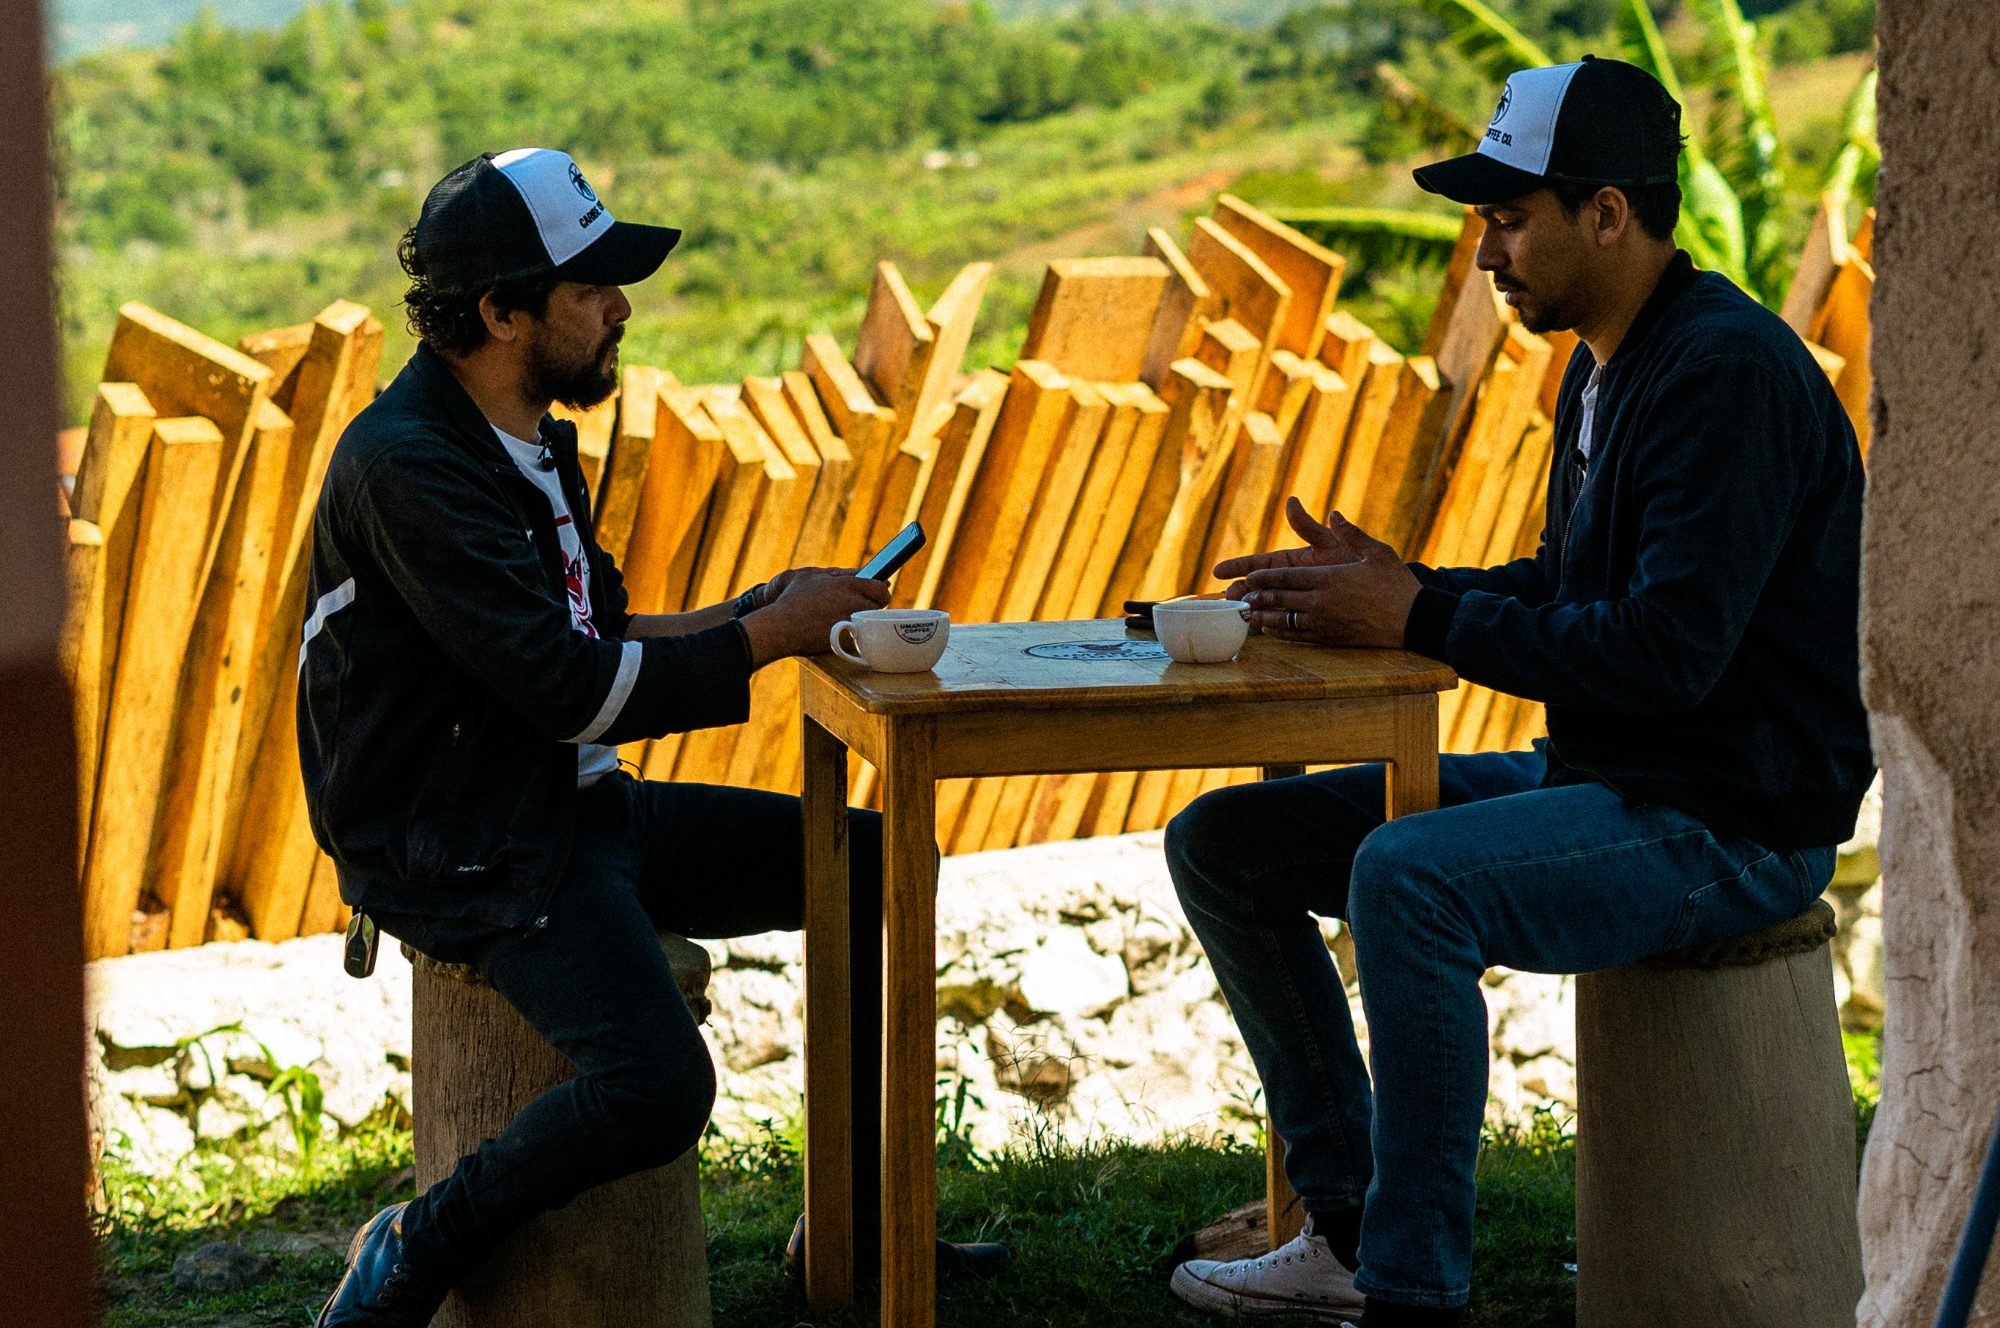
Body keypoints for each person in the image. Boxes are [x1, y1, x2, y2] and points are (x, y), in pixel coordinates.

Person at [1163, 57, 1872, 1326]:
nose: (1485, 252)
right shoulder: (1604, 366)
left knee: (1407, 873)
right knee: (1227, 843)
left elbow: (1664, 652)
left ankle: (1408, 1286)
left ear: (1606, 212)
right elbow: (1565, 582)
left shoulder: (1725, 374)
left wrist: (1421, 615)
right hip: (1616, 778)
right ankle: (1341, 1226)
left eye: (1507, 216)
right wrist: (1400, 584)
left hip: (1730, 820)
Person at [303, 149, 1006, 1327]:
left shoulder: (521, 435)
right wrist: (772, 633)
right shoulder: (412, 463)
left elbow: (609, 632)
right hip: (465, 841)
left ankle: (850, 1221)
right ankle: (415, 1241)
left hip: (566, 804)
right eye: (593, 287)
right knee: (659, 1084)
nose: (622, 306)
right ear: (501, 310)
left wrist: (768, 602)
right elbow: (572, 688)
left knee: (881, 862)